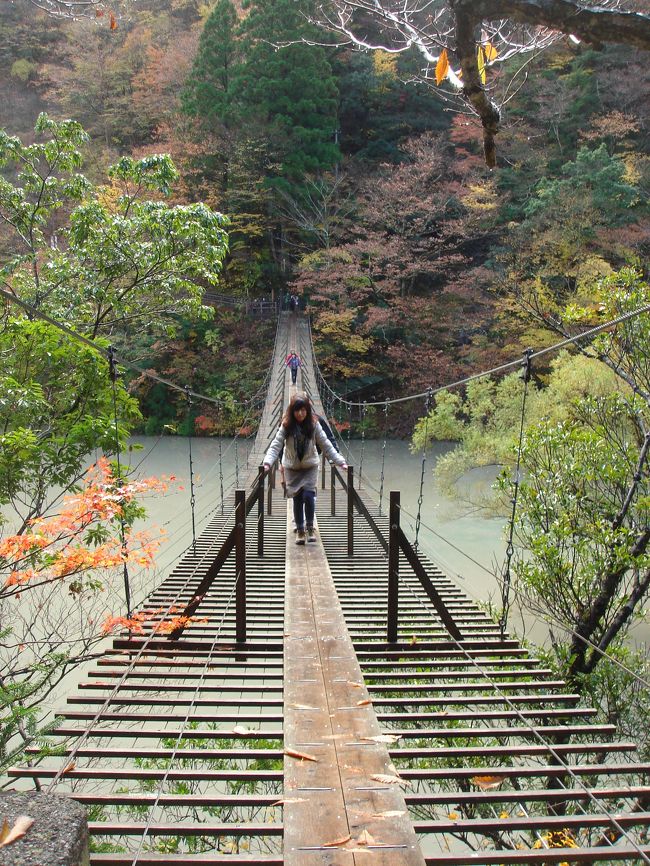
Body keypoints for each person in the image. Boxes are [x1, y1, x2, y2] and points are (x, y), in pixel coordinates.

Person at [264, 394, 347, 544]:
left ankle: (310, 527)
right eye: (297, 410)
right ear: (292, 411)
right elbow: (275, 445)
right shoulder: (286, 425)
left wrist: (340, 462)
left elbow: (326, 444)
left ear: (308, 410)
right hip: (292, 467)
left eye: (303, 410)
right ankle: (300, 530)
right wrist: (267, 463)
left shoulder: (314, 424)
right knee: (297, 498)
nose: (300, 413)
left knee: (308, 496)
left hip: (310, 466)